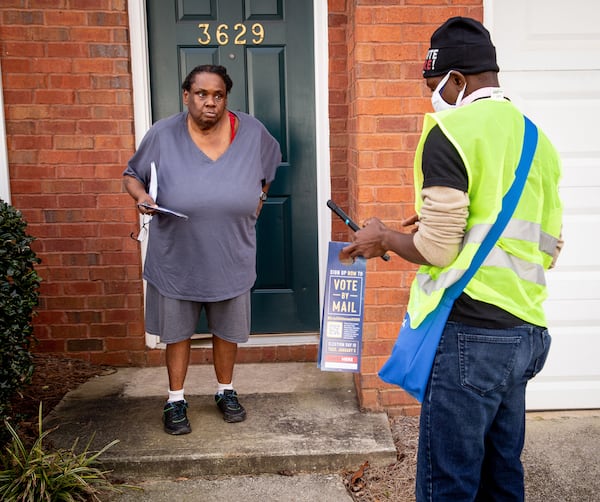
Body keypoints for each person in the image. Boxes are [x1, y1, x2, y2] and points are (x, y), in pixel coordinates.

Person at [342, 17, 563, 501]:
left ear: (457, 80)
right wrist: (451, 227)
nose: (433, 96)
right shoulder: (537, 141)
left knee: (449, 482)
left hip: (472, 334)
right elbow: (548, 248)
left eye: (434, 85)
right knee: (502, 474)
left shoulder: (451, 132)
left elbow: (437, 251)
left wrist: (382, 237)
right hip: (525, 333)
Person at [123, 65, 281, 435]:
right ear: (186, 96)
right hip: (177, 256)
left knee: (227, 330)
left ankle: (225, 391)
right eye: (201, 94)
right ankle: (175, 399)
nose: (210, 102)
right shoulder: (163, 134)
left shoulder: (252, 131)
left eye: (218, 95)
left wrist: (257, 198)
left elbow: (269, 172)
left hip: (231, 252)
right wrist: (143, 196)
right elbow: (132, 175)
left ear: (226, 98)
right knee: (177, 333)